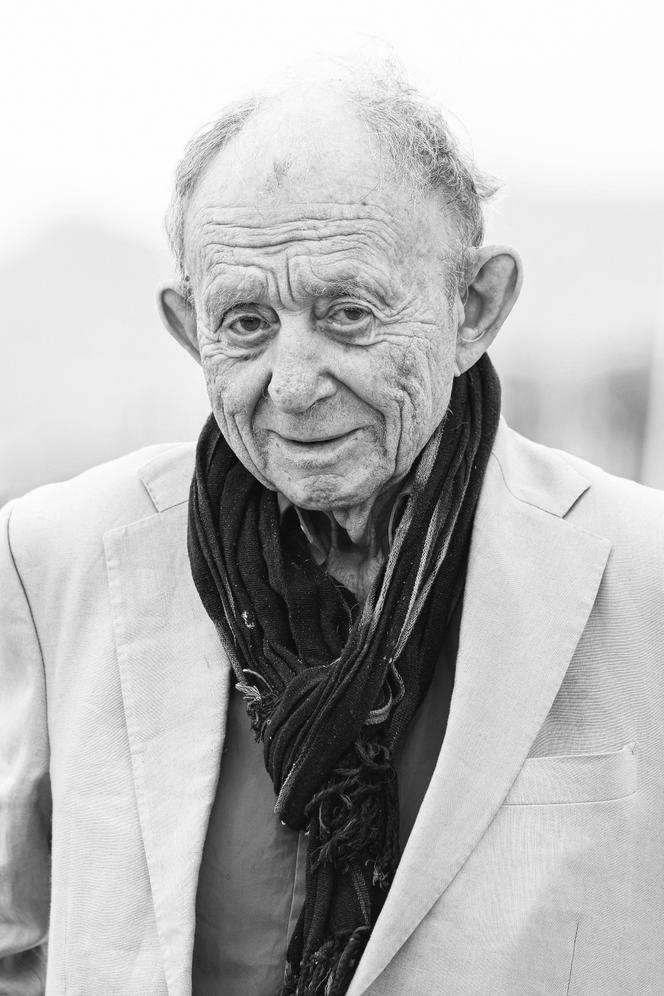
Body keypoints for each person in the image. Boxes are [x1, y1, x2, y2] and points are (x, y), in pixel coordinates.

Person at [1, 65, 663, 996]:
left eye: (348, 314)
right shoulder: (56, 558)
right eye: (246, 322)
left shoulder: (641, 575)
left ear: (475, 307)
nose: (294, 383)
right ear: (190, 330)